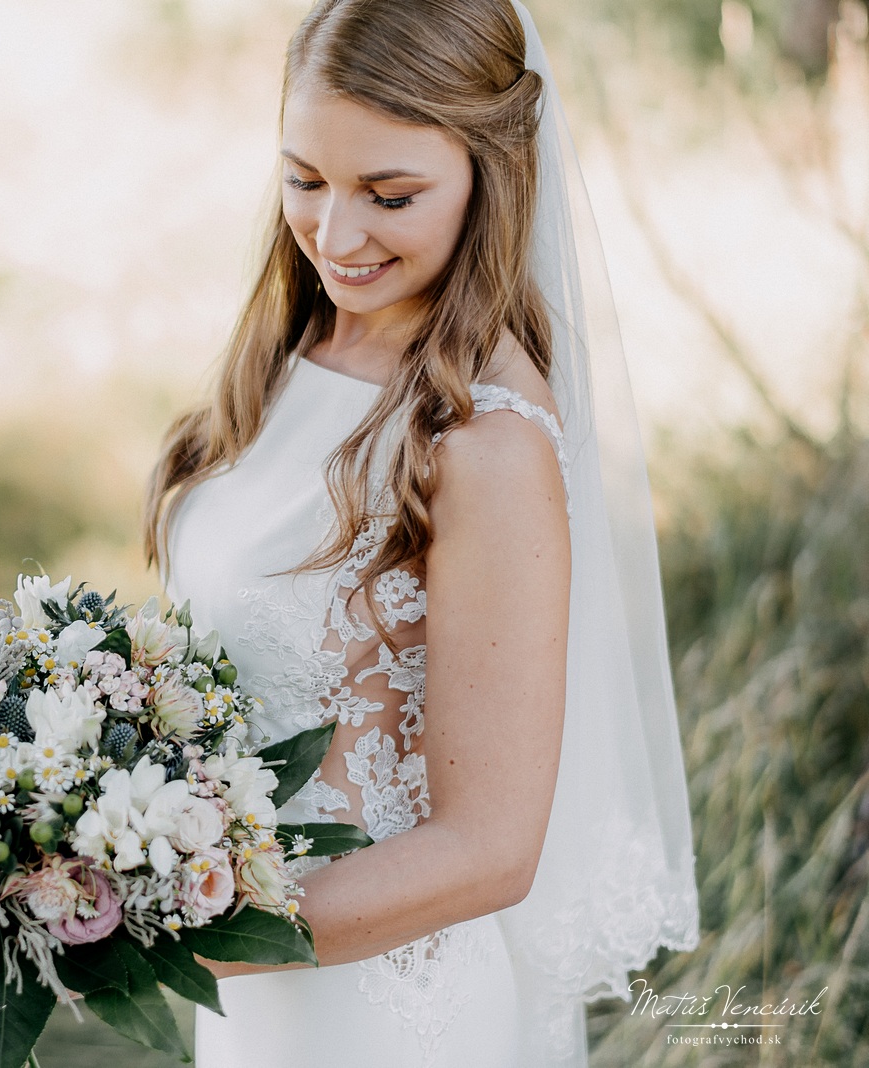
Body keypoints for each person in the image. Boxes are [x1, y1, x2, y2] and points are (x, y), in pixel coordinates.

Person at [143, 0, 702, 1065]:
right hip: (259, 987)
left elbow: (488, 849)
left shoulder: (484, 444)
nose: (335, 236)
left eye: (389, 195)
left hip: (385, 1008)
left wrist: (158, 935)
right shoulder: (295, 351)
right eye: (304, 178)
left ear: (490, 175)